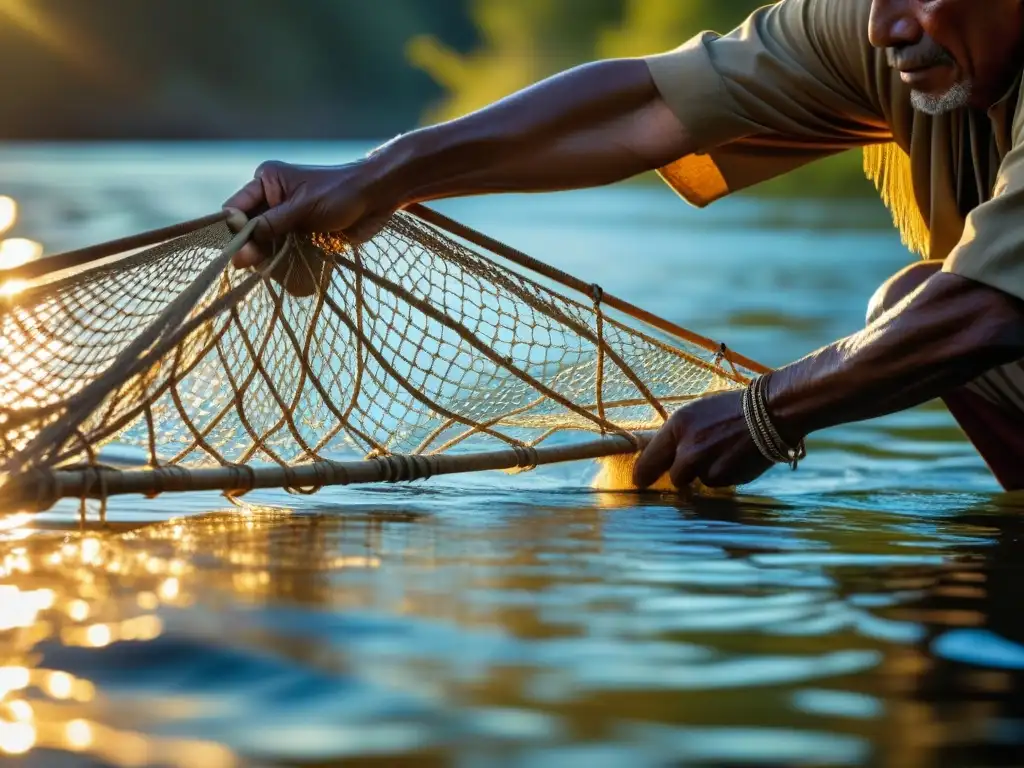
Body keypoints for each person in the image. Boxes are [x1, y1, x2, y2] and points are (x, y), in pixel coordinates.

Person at [223, 0, 1024, 491]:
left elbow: (985, 313)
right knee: (914, 304)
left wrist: (764, 412)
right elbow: (646, 108)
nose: (886, 25)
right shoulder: (892, 25)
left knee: (920, 309)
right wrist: (380, 177)